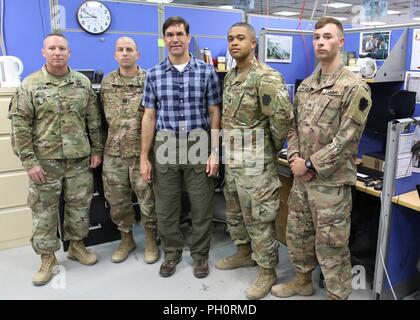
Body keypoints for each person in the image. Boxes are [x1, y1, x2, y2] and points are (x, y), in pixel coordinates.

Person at [271, 17, 372, 300]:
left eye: (327, 36)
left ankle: (337, 294)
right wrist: (293, 158)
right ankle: (302, 281)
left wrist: (310, 164)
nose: (320, 42)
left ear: (341, 41)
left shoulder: (354, 87)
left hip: (330, 184)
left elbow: (347, 138)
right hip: (302, 180)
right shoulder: (306, 86)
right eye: (316, 37)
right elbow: (293, 125)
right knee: (298, 236)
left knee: (332, 245)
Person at [8, 33, 104, 286]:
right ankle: (47, 257)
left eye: (62, 48)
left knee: (79, 207)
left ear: (69, 53)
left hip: (78, 159)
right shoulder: (30, 85)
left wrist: (97, 149)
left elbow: (93, 120)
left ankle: (77, 246)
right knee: (43, 211)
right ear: (44, 52)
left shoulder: (82, 84)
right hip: (45, 162)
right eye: (52, 48)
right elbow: (20, 126)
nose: (57, 52)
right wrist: (29, 162)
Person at [215, 22, 294, 300]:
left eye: (240, 38)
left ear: (253, 43)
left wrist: (267, 148)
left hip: (257, 165)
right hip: (234, 163)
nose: (234, 43)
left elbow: (282, 119)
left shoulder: (266, 77)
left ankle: (267, 271)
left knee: (260, 220)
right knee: (235, 215)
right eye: (230, 39)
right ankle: (243, 252)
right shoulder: (231, 76)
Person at [140, 16, 222, 278]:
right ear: (165, 40)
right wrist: (144, 156)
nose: (175, 39)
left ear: (188, 38)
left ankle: (200, 256)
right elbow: (149, 116)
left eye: (179, 34)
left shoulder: (206, 71)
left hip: (199, 142)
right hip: (165, 144)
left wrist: (215, 151)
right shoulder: (153, 75)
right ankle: (172, 253)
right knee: (166, 208)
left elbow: (214, 112)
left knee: (201, 206)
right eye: (170, 35)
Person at [100, 37, 159, 264]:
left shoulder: (149, 81)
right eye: (120, 50)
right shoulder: (107, 83)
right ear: (115, 55)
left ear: (138, 54)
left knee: (148, 199)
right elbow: (100, 119)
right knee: (117, 200)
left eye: (129, 50)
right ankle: (126, 239)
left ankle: (151, 239)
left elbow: (155, 117)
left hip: (142, 153)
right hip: (113, 154)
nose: (125, 53)